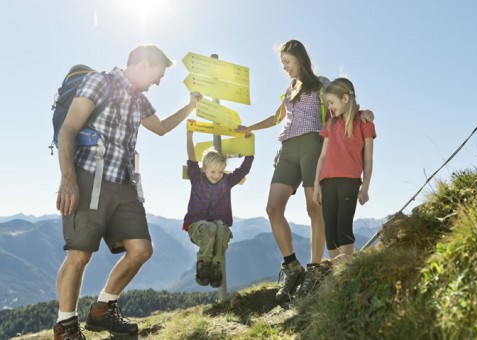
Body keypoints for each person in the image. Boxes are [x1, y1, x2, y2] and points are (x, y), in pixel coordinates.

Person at [53, 44, 201, 340]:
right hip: (89, 179)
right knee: (79, 254)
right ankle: (66, 326)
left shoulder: (139, 100)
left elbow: (159, 128)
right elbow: (68, 130)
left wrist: (190, 106)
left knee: (141, 249)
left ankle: (103, 309)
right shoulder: (100, 82)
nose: (157, 82)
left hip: (125, 183)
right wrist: (68, 179)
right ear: (144, 64)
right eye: (158, 75)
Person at [237, 40, 373, 301]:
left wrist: (362, 111)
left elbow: (342, 101)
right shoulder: (289, 90)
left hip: (313, 143)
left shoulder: (321, 83)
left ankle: (314, 268)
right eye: (282, 64)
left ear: (299, 58)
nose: (285, 68)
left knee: (314, 207)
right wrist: (249, 128)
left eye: (287, 62)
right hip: (287, 149)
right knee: (273, 208)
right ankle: (292, 267)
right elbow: (277, 118)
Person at [313, 78, 376, 265]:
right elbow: (322, 157)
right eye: (327, 103)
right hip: (327, 182)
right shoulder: (331, 124)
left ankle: (346, 271)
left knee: (343, 228)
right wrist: (316, 184)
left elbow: (368, 158)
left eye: (332, 102)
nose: (329, 107)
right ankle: (337, 273)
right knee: (330, 230)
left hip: (349, 181)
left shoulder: (364, 122)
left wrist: (365, 187)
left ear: (346, 98)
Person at [182, 131, 254, 288]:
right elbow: (191, 159)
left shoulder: (226, 182)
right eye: (212, 172)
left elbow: (243, 170)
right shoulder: (197, 178)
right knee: (210, 227)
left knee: (221, 228)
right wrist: (189, 136)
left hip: (217, 227)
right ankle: (204, 263)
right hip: (197, 227)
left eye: (220, 172)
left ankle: (216, 266)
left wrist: (249, 151)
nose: (217, 175)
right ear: (204, 169)